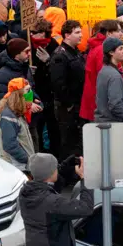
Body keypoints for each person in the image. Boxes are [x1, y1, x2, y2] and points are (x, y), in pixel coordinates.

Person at [46, 21, 85, 158]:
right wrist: (68, 104)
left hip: (76, 104)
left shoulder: (75, 52)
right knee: (69, 142)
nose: (81, 35)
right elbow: (58, 83)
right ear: (67, 35)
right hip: (67, 107)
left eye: (81, 32)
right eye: (77, 32)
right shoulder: (60, 55)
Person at [93, 36, 123, 127]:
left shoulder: (104, 71)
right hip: (113, 124)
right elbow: (115, 104)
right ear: (111, 52)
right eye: (120, 49)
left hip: (104, 122)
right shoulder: (114, 75)